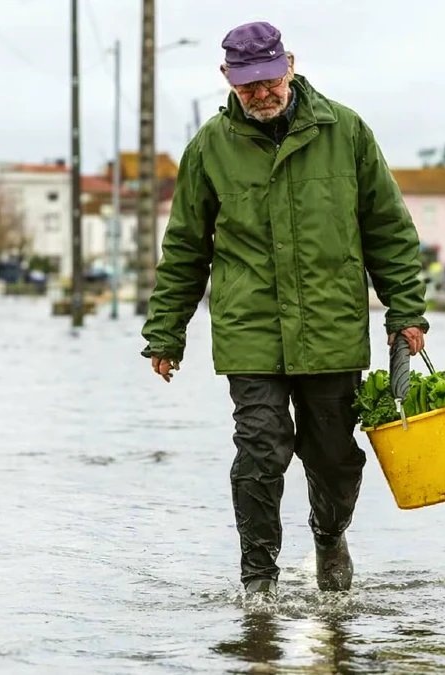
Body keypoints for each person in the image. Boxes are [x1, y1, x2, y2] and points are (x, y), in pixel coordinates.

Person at [139, 21, 429, 595]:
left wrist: (406, 312)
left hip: (331, 328)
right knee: (260, 451)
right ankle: (258, 585)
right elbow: (184, 249)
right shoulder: (207, 149)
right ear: (227, 79)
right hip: (250, 331)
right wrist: (166, 333)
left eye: (270, 80)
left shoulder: (345, 132)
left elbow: (388, 228)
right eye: (249, 86)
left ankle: (329, 535)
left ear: (289, 66)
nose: (262, 94)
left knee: (334, 457)